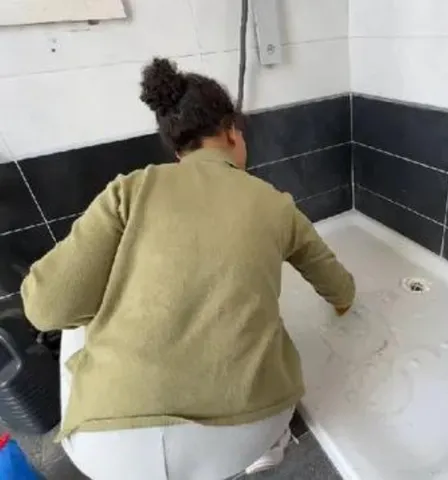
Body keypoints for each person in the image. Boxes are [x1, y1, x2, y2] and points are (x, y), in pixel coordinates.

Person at [20, 58, 355, 480]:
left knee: (76, 321)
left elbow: (45, 309)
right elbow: (338, 286)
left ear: (178, 152)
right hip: (248, 430)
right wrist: (345, 300)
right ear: (231, 131)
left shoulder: (130, 190)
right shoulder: (275, 203)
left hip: (111, 451)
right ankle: (268, 449)